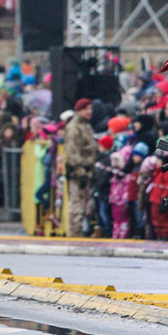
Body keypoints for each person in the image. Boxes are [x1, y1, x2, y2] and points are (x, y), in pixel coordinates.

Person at [64, 98, 97, 237]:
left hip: (87, 169)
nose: (90, 112)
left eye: (91, 109)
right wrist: (81, 171)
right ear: (79, 110)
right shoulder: (74, 127)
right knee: (77, 204)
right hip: (78, 171)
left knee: (83, 204)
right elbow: (72, 152)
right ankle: (74, 233)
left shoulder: (86, 125)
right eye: (86, 109)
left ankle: (77, 232)